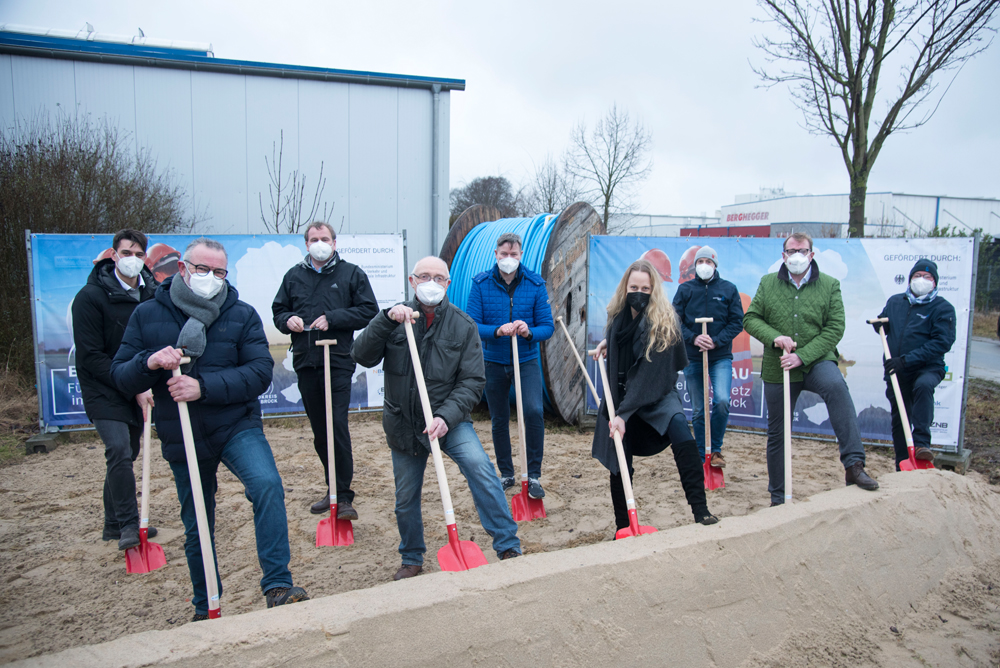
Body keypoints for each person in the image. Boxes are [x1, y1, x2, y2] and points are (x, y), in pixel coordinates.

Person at [112, 237, 308, 620]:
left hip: (236, 425)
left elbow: (258, 373)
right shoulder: (148, 314)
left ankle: (278, 585)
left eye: (219, 272)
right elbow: (120, 375)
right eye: (203, 269)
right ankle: (207, 604)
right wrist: (149, 362)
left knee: (267, 486)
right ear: (183, 268)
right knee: (197, 519)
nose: (212, 278)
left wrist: (203, 388)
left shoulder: (241, 314)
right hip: (181, 433)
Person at [351, 256, 521, 580]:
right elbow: (361, 354)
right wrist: (386, 320)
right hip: (403, 423)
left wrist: (446, 416)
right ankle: (412, 557)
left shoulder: (463, 325)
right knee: (405, 497)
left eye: (439, 278)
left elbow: (472, 381)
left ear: (448, 284)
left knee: (481, 469)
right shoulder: (394, 319)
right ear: (412, 282)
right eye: (424, 276)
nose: (432, 283)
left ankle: (508, 544)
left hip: (449, 421)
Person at [743, 232, 879, 506]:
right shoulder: (768, 283)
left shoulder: (830, 285)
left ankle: (854, 465)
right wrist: (775, 337)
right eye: (791, 251)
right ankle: (778, 496)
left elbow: (835, 328)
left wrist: (803, 356)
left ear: (811, 254)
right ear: (783, 255)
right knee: (778, 430)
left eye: (802, 250)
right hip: (778, 363)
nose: (796, 255)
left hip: (817, 361)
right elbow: (751, 318)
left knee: (837, 387)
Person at [590, 259, 719, 530]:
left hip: (657, 395)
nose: (639, 293)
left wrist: (623, 415)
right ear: (625, 287)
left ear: (654, 289)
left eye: (646, 288)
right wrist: (608, 342)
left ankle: (701, 510)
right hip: (623, 398)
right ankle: (624, 527)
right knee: (619, 457)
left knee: (682, 433)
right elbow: (622, 342)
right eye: (634, 286)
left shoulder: (665, 321)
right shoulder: (618, 317)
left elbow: (648, 377)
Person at [272, 221, 378, 519]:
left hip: (338, 359)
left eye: (325, 238)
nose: (320, 243)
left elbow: (368, 310)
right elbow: (278, 310)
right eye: (314, 239)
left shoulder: (351, 273)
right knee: (320, 431)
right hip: (306, 361)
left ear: (334, 242)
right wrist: (287, 319)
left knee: (337, 426)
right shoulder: (294, 276)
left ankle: (343, 496)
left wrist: (333, 317)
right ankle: (331, 488)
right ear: (306, 244)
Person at [72, 229, 158, 550]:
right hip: (103, 387)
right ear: (113, 255)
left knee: (129, 453)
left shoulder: (151, 295)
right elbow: (91, 356)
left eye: (138, 255)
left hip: (135, 383)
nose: (132, 260)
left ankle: (111, 523)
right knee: (119, 448)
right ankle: (127, 524)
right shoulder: (90, 297)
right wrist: (130, 383)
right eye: (126, 253)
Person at [466, 233, 554, 498]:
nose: (508, 259)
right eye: (504, 254)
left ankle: (534, 476)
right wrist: (496, 330)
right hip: (493, 361)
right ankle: (506, 473)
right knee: (499, 418)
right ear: (495, 254)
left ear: (521, 255)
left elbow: (547, 327)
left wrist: (528, 332)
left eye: (513, 254)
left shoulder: (536, 284)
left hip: (525, 360)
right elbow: (471, 325)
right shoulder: (480, 284)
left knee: (533, 411)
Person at [875, 259, 956, 469]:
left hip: (927, 367)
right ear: (910, 279)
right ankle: (903, 461)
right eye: (917, 276)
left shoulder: (942, 308)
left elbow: (942, 342)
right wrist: (879, 324)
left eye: (927, 277)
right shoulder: (896, 302)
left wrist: (907, 360)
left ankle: (921, 444)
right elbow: (885, 322)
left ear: (935, 282)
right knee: (900, 417)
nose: (922, 280)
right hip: (897, 370)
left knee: (923, 385)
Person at [672, 246, 745, 467]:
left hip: (720, 357)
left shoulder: (729, 289)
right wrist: (693, 338)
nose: (704, 265)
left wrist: (716, 341)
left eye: (709, 262)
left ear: (715, 265)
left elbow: (736, 322)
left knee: (721, 401)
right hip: (693, 357)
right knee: (698, 409)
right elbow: (674, 321)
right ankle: (702, 451)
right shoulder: (685, 290)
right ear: (695, 265)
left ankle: (716, 450)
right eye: (700, 261)